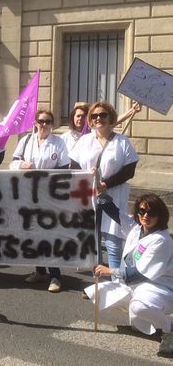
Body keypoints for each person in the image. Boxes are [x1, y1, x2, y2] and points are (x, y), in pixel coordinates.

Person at [89, 194, 173, 356]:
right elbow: (115, 213)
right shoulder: (138, 228)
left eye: (152, 213)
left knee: (139, 306)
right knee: (98, 293)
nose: (146, 216)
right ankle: (145, 320)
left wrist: (109, 271)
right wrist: (101, 192)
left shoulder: (161, 240)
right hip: (138, 286)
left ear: (161, 216)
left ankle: (168, 329)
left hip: (161, 288)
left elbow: (139, 274)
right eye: (142, 211)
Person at [70, 101, 139, 271]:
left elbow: (129, 171)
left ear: (111, 117)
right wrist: (87, 178)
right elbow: (74, 166)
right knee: (92, 242)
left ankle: (115, 283)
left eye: (103, 115)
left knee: (113, 242)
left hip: (113, 197)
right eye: (94, 116)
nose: (98, 118)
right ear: (90, 120)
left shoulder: (122, 142)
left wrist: (105, 184)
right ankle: (98, 284)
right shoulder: (84, 141)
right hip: (89, 197)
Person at [10, 110, 70, 292]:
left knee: (50, 235)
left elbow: (64, 168)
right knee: (34, 234)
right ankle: (39, 270)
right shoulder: (26, 140)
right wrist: (22, 165)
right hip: (28, 195)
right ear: (35, 122)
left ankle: (55, 275)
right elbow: (13, 161)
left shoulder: (58, 143)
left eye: (48, 121)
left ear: (52, 124)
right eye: (40, 121)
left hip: (49, 196)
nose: (44, 124)